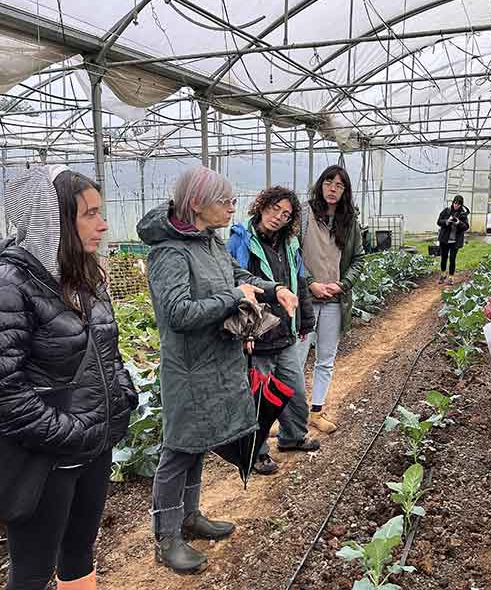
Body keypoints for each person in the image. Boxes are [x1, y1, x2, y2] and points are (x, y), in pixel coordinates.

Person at [137, 166, 298, 574]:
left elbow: (236, 275)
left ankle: (190, 518)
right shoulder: (169, 252)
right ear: (196, 204)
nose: (232, 208)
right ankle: (167, 537)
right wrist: (232, 298)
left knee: (199, 445)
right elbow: (177, 313)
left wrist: (270, 288)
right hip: (189, 368)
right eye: (224, 201)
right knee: (178, 450)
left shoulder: (208, 241)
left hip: (217, 361)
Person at [0, 167, 136, 590]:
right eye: (90, 214)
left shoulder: (86, 278)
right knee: (34, 569)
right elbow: (6, 389)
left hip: (92, 445)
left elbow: (107, 351)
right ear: (56, 219)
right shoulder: (12, 284)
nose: (103, 224)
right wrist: (67, 432)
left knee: (79, 554)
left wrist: (123, 395)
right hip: (44, 458)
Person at [227, 186, 317, 475]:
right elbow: (235, 289)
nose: (278, 217)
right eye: (274, 209)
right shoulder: (241, 242)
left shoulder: (290, 245)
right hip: (258, 334)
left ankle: (292, 437)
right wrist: (245, 333)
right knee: (258, 398)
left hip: (285, 333)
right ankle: (257, 452)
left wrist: (305, 321)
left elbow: (299, 283)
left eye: (286, 214)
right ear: (261, 206)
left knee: (294, 389)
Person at [296, 165, 365, 434]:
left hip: (335, 301)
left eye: (339, 185)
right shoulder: (303, 214)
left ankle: (317, 412)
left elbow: (358, 259)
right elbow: (293, 255)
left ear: (345, 191)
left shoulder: (350, 221)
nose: (333, 189)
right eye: (328, 182)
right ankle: (293, 415)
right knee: (297, 359)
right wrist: (310, 283)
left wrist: (342, 285)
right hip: (306, 300)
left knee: (326, 358)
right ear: (320, 184)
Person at [436, 195, 470, 285]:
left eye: (458, 204)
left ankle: (451, 277)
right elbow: (439, 221)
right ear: (453, 202)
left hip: (455, 241)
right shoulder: (446, 211)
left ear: (461, 205)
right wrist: (446, 222)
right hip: (444, 239)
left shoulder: (463, 214)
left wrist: (459, 222)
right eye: (455, 203)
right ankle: (443, 275)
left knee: (452, 259)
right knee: (443, 258)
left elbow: (466, 227)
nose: (456, 205)